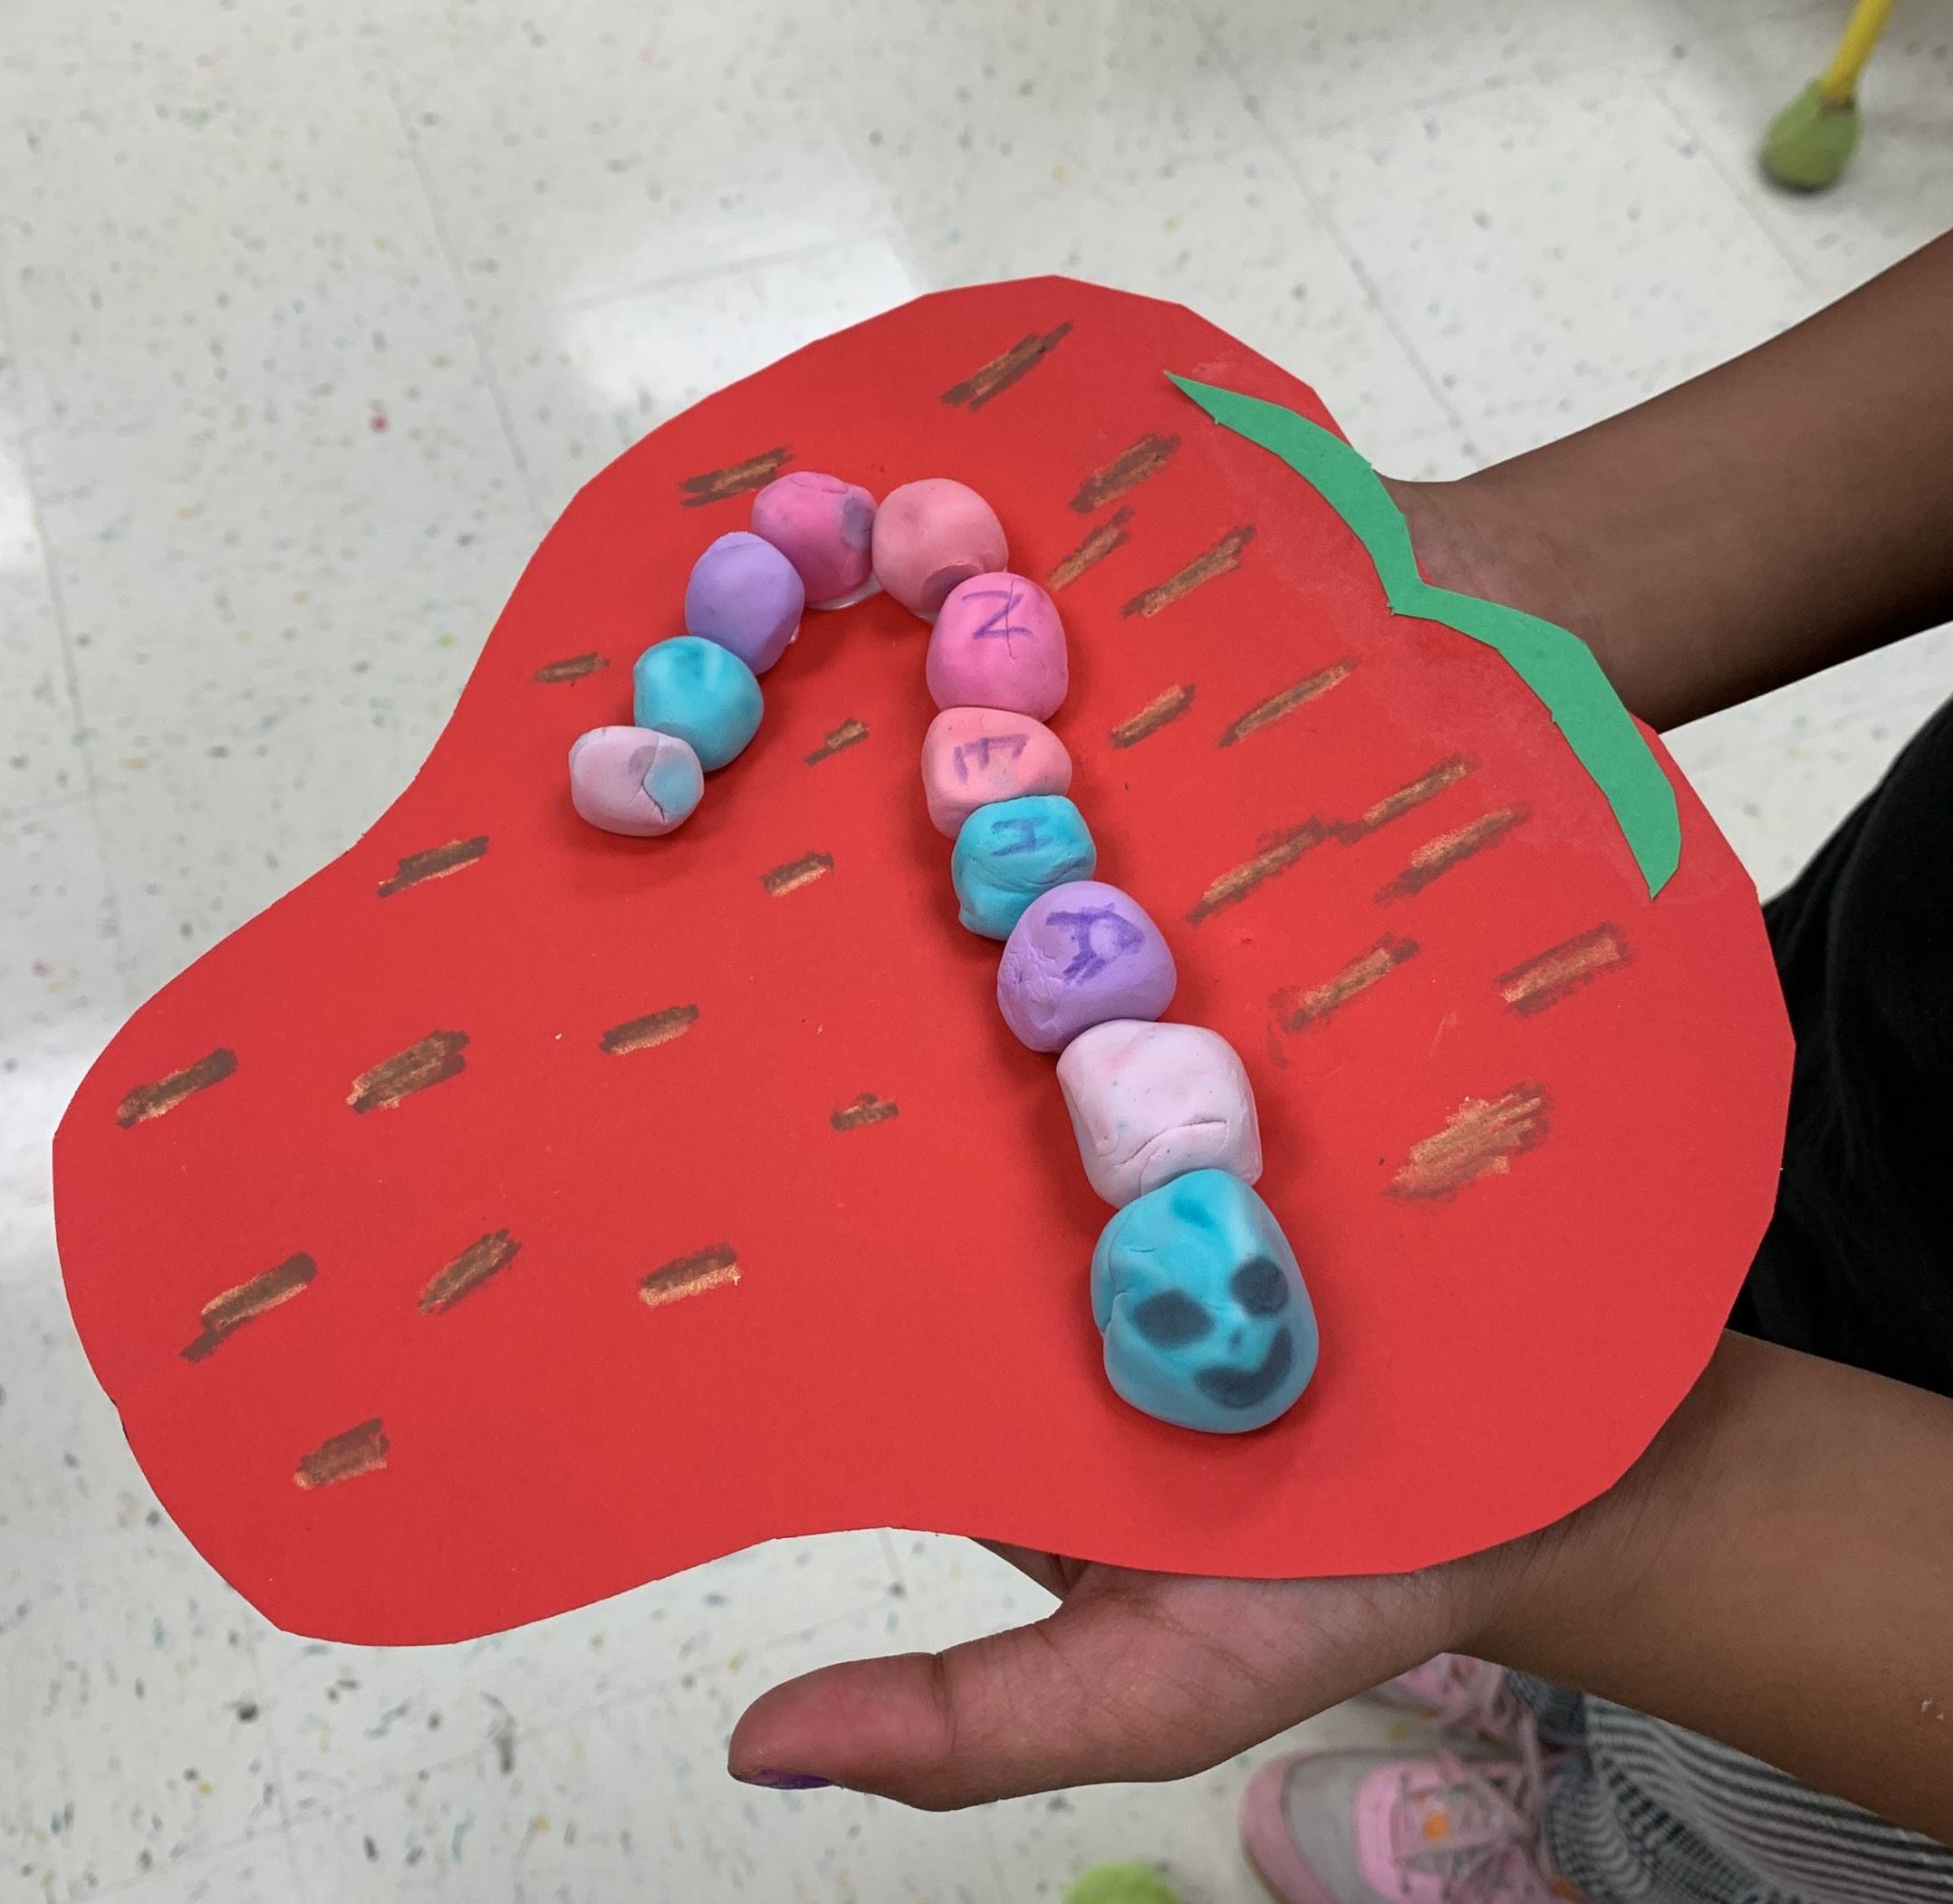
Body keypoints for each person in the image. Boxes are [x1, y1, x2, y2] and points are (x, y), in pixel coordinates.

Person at [726, 232, 1953, 1903]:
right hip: (1883, 1068)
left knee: (1750, 1813)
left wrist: (1631, 1524)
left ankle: (1591, 1852)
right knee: (1677, 1272)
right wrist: (1451, 601)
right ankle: (1560, 1660)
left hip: (1895, 1666)